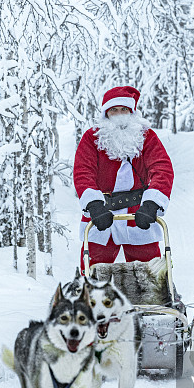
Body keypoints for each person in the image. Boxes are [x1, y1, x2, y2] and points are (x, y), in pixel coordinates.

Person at [74, 85, 174, 272]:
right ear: (106, 114)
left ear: (132, 113)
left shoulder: (147, 137)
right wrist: (94, 205)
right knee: (92, 272)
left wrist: (151, 204)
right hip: (101, 214)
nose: (119, 116)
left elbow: (162, 169)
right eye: (114, 110)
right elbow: (82, 172)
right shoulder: (91, 138)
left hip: (139, 214)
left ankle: (158, 300)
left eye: (124, 110)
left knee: (152, 273)